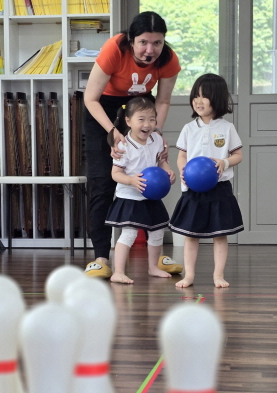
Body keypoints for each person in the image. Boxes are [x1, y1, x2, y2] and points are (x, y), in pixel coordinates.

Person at [83, 11, 181, 279]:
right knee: (103, 183)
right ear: (131, 40)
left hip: (140, 110)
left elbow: (162, 101)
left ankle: (154, 257)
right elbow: (90, 99)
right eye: (143, 42)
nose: (150, 50)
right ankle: (102, 257)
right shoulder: (115, 49)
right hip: (103, 110)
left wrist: (155, 134)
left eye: (157, 43)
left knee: (147, 178)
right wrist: (113, 132)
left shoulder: (169, 60)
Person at [168, 73, 244, 288]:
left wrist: (224, 162)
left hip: (219, 188)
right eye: (196, 96)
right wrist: (183, 170)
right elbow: (181, 155)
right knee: (191, 235)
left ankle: (218, 275)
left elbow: (238, 155)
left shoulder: (227, 128)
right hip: (193, 189)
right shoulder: (188, 128)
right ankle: (189, 275)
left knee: (220, 235)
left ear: (217, 99)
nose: (198, 101)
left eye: (205, 96)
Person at [103, 97, 177, 284]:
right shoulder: (123, 146)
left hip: (152, 196)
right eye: (141, 119)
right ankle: (118, 271)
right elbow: (115, 173)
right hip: (130, 197)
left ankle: (153, 267)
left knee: (158, 231)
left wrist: (168, 171)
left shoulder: (157, 140)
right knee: (129, 233)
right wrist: (131, 180)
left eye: (152, 119)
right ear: (128, 121)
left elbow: (161, 161)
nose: (147, 124)